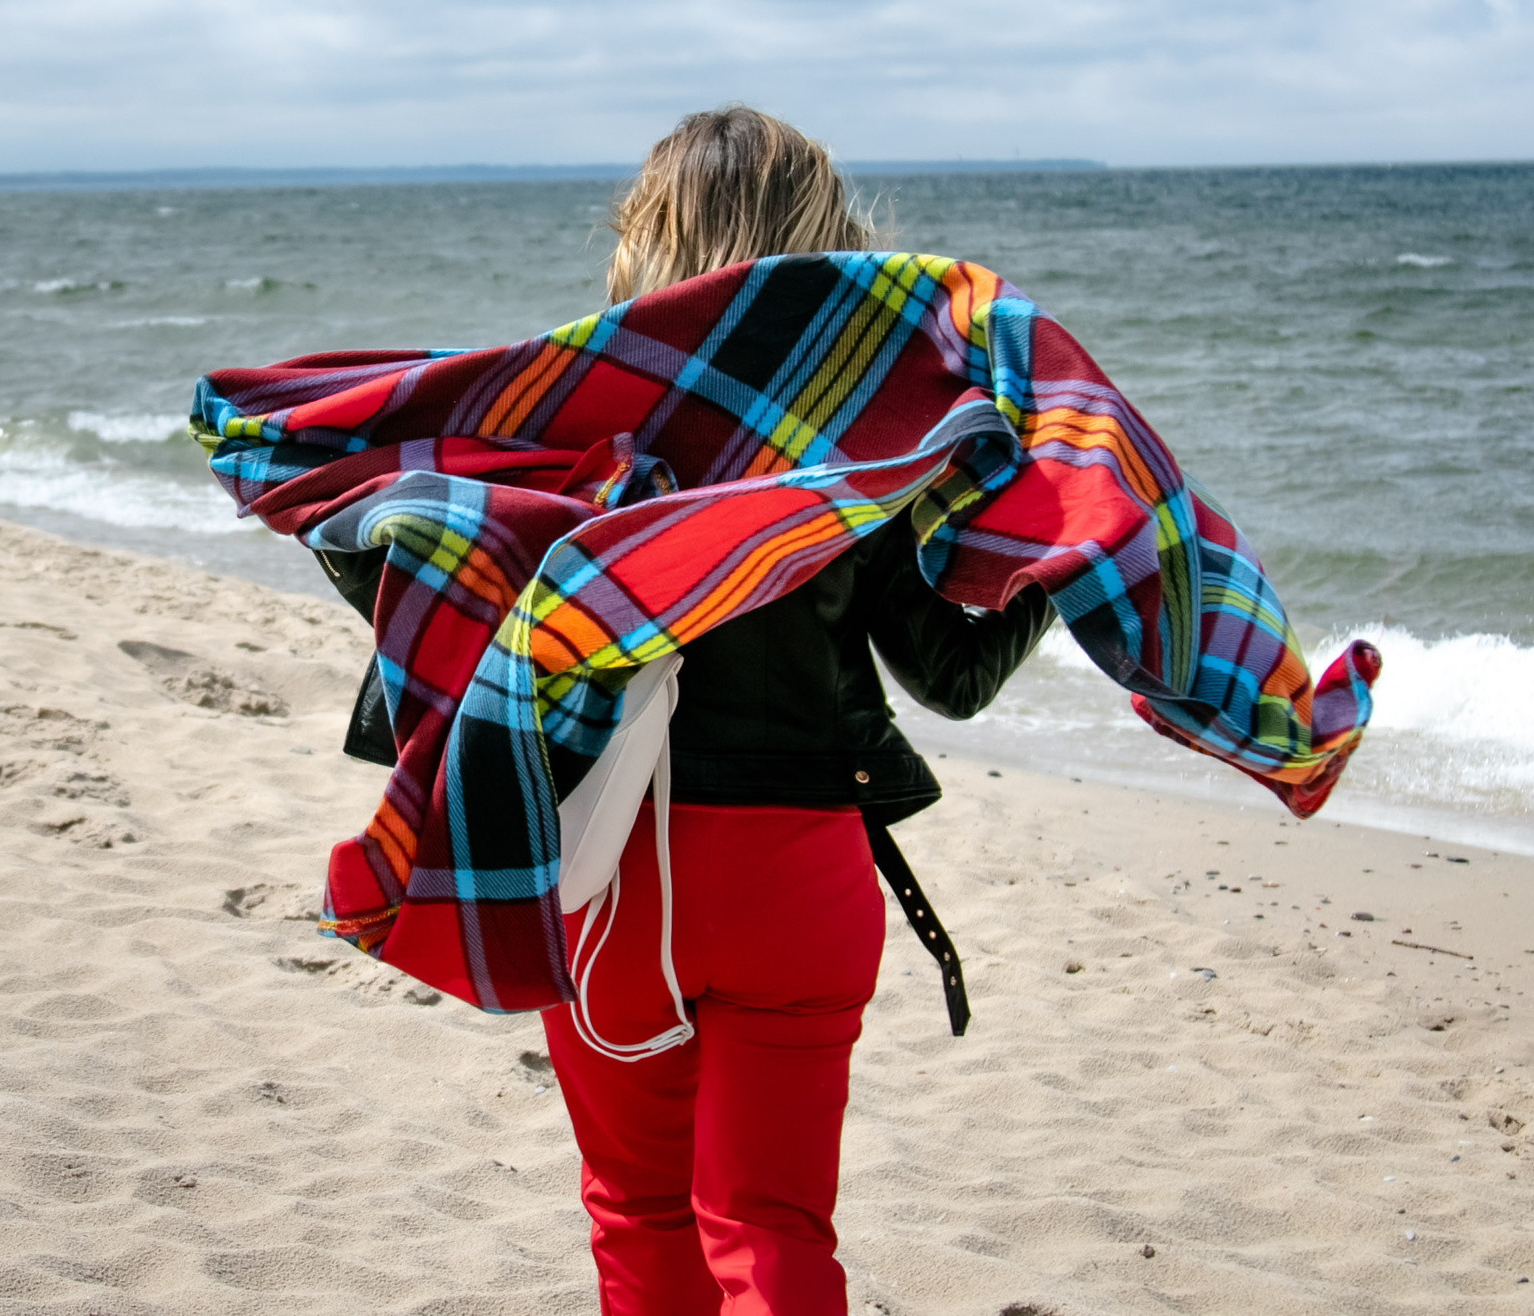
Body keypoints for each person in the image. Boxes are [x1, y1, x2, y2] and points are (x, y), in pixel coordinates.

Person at [314, 106, 1053, 1316]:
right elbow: (952, 677)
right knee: (770, 1228)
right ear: (827, 237)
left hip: (620, 876)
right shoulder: (861, 437)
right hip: (799, 880)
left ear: (644, 239)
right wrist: (1062, 561)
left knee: (641, 1217)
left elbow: (373, 539)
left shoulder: (568, 427)